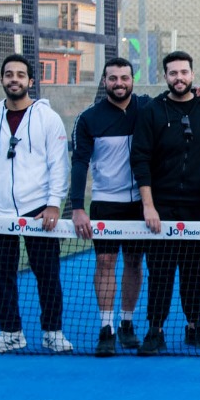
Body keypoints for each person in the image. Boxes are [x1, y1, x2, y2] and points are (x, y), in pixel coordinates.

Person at [130, 51, 200, 354]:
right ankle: (155, 330)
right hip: (162, 208)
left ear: (192, 74)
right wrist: (148, 206)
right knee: (160, 271)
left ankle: (194, 326)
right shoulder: (152, 111)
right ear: (166, 77)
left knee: (194, 271)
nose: (179, 78)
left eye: (184, 72)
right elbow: (140, 159)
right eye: (173, 73)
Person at [0, 54, 70, 354]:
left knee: (47, 274)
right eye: (8, 74)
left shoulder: (48, 118)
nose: (13, 79)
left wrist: (53, 204)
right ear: (2, 80)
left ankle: (53, 332)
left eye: (19, 75)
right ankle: (11, 333)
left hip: (39, 210)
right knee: (1, 276)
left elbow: (59, 165)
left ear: (30, 81)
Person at [70, 57, 148, 355]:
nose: (119, 83)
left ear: (132, 80)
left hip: (140, 205)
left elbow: (182, 102)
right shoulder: (89, 118)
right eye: (113, 78)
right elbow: (79, 163)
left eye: (124, 78)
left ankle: (127, 323)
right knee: (105, 262)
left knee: (134, 262)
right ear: (104, 81)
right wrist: (77, 207)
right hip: (105, 204)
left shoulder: (147, 108)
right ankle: (107, 328)